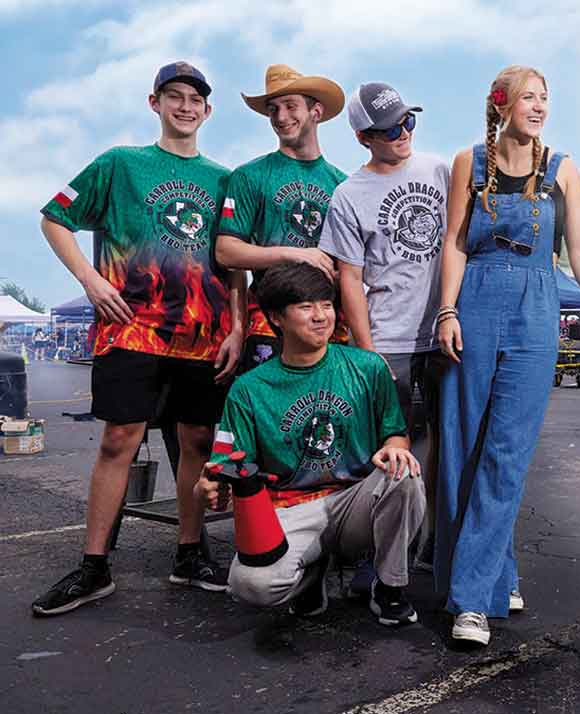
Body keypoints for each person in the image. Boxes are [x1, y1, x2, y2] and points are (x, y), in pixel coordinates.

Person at [33, 62, 244, 617]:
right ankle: (94, 566)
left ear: (208, 110)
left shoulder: (225, 179)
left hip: (202, 338)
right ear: (154, 103)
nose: (185, 106)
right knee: (117, 440)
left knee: (197, 442)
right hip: (132, 328)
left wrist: (238, 325)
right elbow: (55, 217)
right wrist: (91, 278)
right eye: (174, 96)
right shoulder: (120, 164)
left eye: (195, 99)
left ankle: (190, 554)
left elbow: (234, 262)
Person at [434, 65, 580, 645]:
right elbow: (455, 243)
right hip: (476, 304)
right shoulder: (470, 162)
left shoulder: (563, 170)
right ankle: (497, 574)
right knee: (461, 446)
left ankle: (470, 600)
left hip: (537, 305)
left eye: (545, 98)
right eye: (528, 98)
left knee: (507, 453)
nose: (540, 107)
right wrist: (446, 311)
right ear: (502, 106)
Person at [194, 262, 426, 626]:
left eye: (327, 305)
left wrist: (396, 445)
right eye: (306, 307)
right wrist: (205, 488)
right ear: (276, 317)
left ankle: (389, 584)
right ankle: (310, 576)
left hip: (354, 503)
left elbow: (394, 432)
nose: (321, 317)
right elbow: (223, 467)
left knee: (404, 475)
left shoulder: (368, 368)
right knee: (251, 585)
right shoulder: (250, 389)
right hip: (289, 509)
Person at [319, 82, 450, 571]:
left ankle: (434, 542)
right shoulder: (349, 195)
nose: (403, 134)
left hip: (440, 335)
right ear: (362, 137)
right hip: (388, 339)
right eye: (390, 128)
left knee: (442, 445)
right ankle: (374, 556)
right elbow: (348, 279)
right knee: (386, 452)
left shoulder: (439, 170)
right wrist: (366, 349)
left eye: (408, 121)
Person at [215, 64, 349, 372]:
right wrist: (296, 254)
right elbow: (226, 252)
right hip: (268, 320)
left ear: (316, 111)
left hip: (328, 324)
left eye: (291, 106)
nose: (280, 117)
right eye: (273, 109)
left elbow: (351, 267)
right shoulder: (249, 176)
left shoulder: (343, 185)